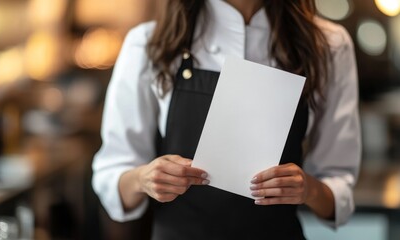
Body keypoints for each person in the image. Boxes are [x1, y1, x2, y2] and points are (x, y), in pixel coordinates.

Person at [92, 0, 361, 239]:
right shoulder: (148, 42)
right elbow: (112, 176)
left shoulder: (329, 44)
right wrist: (143, 178)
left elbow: (339, 189)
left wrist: (309, 190)